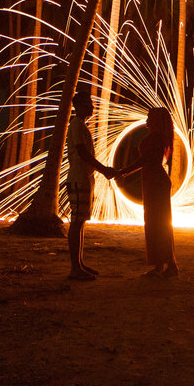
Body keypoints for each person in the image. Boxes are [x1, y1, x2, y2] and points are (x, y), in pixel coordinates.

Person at [116, 106, 179, 277]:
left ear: (156, 120)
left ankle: (169, 265)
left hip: (155, 181)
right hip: (153, 181)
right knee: (155, 222)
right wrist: (124, 171)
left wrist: (123, 171)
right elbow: (145, 161)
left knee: (159, 222)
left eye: (150, 116)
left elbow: (145, 160)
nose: (146, 118)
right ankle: (162, 265)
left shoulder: (156, 138)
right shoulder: (157, 137)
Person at [65, 88, 114, 281]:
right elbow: (83, 153)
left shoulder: (81, 126)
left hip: (84, 178)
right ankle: (75, 268)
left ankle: (79, 263)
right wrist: (104, 170)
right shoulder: (76, 125)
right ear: (78, 106)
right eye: (88, 104)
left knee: (81, 222)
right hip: (78, 178)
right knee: (76, 223)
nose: (92, 107)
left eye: (92, 104)